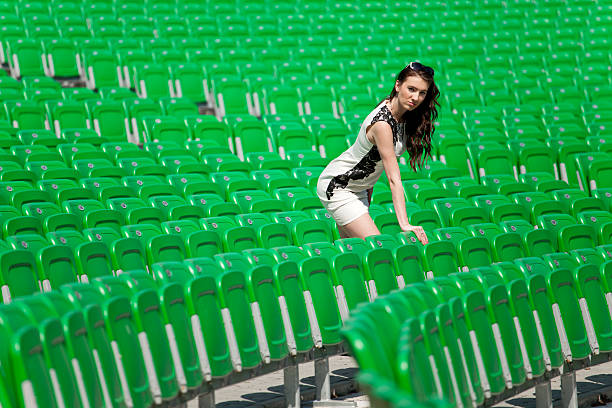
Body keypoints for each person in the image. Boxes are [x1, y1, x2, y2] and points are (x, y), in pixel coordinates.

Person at [316, 62, 440, 244]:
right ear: (398, 85)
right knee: (379, 248)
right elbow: (393, 178)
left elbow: (374, 164)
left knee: (356, 254)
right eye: (411, 89)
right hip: (338, 186)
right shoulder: (383, 124)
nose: (416, 97)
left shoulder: (403, 114)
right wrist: (404, 224)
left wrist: (367, 193)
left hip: (360, 190)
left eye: (422, 93)